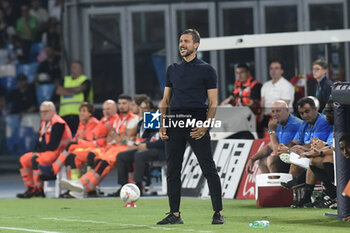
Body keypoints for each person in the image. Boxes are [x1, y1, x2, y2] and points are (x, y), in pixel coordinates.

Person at [157, 29, 225, 225]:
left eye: (186, 41)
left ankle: (218, 213)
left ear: (196, 45)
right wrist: (163, 124)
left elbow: (213, 103)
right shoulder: (172, 69)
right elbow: (165, 100)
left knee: (208, 169)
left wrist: (205, 126)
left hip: (197, 124)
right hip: (175, 124)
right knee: (172, 171)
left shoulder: (207, 70)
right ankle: (175, 214)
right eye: (180, 41)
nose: (182, 44)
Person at [17, 101, 72, 198]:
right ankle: (31, 188)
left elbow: (53, 145)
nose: (43, 114)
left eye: (46, 111)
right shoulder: (44, 123)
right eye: (42, 112)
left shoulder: (58, 123)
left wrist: (38, 153)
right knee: (24, 159)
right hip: (48, 152)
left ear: (53, 111)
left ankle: (39, 190)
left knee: (36, 159)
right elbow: (39, 142)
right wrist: (36, 152)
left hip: (59, 153)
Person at [116, 99, 165, 196]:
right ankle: (123, 186)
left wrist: (146, 145)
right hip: (148, 147)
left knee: (139, 155)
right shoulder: (152, 120)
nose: (143, 111)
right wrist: (141, 144)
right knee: (121, 156)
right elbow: (147, 137)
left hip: (161, 150)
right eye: (141, 108)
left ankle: (137, 187)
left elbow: (164, 142)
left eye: (145, 108)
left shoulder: (169, 121)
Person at [39, 102, 99, 181]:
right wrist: (79, 139)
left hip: (93, 147)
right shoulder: (82, 124)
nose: (81, 113)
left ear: (90, 113)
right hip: (82, 147)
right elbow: (77, 138)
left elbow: (88, 139)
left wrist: (79, 139)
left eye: (84, 111)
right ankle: (72, 183)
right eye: (80, 111)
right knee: (70, 156)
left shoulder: (93, 123)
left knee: (71, 146)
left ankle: (54, 170)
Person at [245, 100, 303, 174]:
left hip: (299, 157)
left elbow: (277, 151)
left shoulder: (293, 125)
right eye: (273, 111)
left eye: (278, 111)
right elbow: (270, 146)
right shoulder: (280, 123)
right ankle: (272, 184)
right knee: (262, 161)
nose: (275, 114)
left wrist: (271, 131)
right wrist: (252, 159)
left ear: (287, 110)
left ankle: (279, 184)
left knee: (272, 160)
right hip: (288, 156)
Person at [56, 61, 92, 136]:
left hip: (79, 115)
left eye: (75, 67)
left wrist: (65, 90)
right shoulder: (65, 79)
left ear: (81, 69)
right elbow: (59, 90)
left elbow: (79, 89)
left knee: (79, 136)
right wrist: (74, 92)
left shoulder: (85, 80)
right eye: (72, 67)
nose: (72, 69)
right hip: (64, 115)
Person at [259, 60, 295, 136]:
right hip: (267, 119)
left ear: (281, 71)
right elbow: (262, 104)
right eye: (271, 68)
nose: (273, 71)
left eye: (276, 68)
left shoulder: (286, 85)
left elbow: (283, 105)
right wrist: (260, 119)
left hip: (282, 120)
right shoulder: (265, 85)